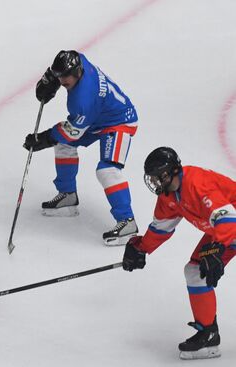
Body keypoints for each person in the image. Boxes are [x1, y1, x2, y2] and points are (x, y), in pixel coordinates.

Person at [122, 147, 236, 360]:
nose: (154, 183)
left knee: (199, 269)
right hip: (224, 231)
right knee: (195, 271)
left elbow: (228, 218)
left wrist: (217, 247)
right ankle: (208, 334)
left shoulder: (197, 184)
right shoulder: (169, 196)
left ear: (170, 172)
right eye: (152, 178)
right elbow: (160, 228)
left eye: (157, 177)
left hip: (229, 227)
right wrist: (141, 248)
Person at [23, 50, 139, 245]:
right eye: (59, 76)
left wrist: (44, 138)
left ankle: (127, 222)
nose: (62, 81)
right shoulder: (78, 59)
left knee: (107, 170)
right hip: (97, 118)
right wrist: (50, 79)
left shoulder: (84, 99)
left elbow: (73, 131)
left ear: (77, 73)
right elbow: (63, 65)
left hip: (119, 121)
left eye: (64, 77)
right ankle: (68, 195)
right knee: (63, 144)